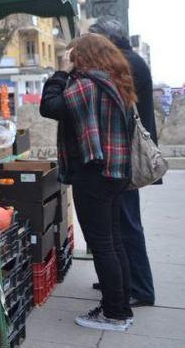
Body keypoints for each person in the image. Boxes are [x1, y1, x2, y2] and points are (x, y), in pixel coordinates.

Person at [40, 33, 136, 331]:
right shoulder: (114, 83)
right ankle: (120, 306)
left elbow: (49, 106)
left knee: (102, 244)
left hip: (94, 172)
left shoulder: (86, 85)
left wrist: (61, 71)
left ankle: (114, 314)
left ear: (83, 55)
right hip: (115, 171)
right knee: (113, 241)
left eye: (73, 54)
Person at [88, 19, 156, 307]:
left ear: (107, 40)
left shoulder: (125, 63)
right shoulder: (128, 59)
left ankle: (140, 289)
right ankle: (120, 280)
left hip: (125, 157)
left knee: (127, 224)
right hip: (124, 155)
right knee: (120, 222)